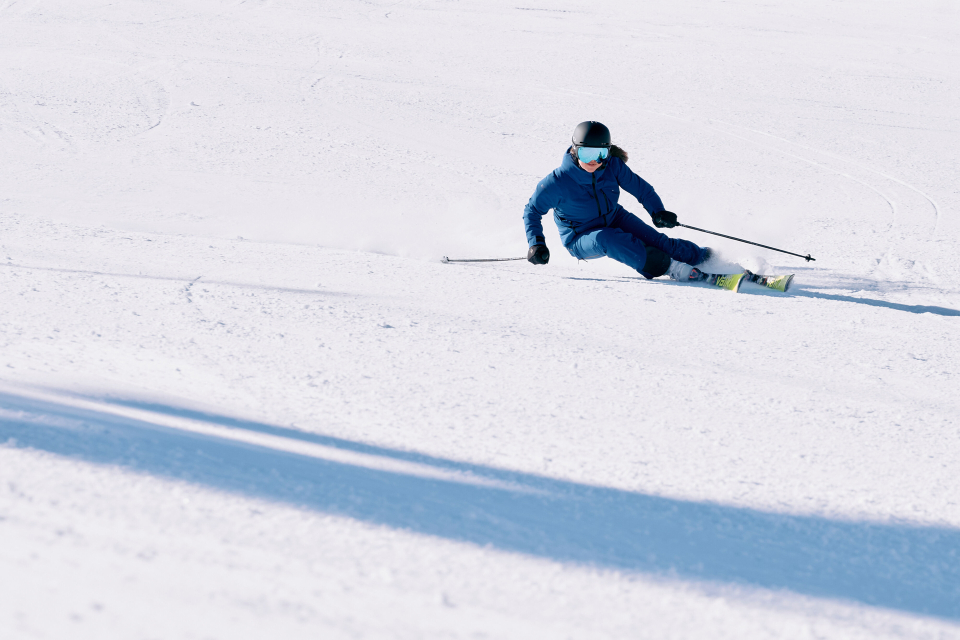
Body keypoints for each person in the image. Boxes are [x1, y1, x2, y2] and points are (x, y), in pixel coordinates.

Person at [523, 121, 710, 281]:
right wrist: (536, 243)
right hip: (580, 236)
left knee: (660, 242)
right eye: (586, 154)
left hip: (614, 217)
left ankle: (704, 258)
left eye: (600, 154)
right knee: (608, 239)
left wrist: (657, 211)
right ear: (575, 150)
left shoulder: (612, 166)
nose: (593, 161)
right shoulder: (557, 182)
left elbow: (641, 189)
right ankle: (671, 268)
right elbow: (532, 211)